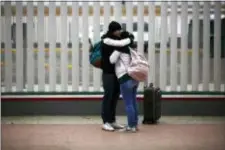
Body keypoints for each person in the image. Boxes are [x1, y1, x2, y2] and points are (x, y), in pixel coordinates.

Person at [101, 21, 134, 131]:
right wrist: (130, 38)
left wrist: (128, 38)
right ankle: (105, 122)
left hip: (116, 74)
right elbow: (120, 45)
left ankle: (112, 120)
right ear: (113, 31)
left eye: (120, 30)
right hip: (108, 73)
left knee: (115, 97)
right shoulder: (106, 40)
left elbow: (122, 44)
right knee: (108, 97)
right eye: (117, 30)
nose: (119, 32)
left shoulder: (117, 40)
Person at [108, 31, 139, 132]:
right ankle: (134, 124)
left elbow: (111, 60)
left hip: (125, 78)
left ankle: (130, 126)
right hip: (135, 77)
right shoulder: (133, 47)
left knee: (129, 103)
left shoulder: (120, 48)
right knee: (133, 102)